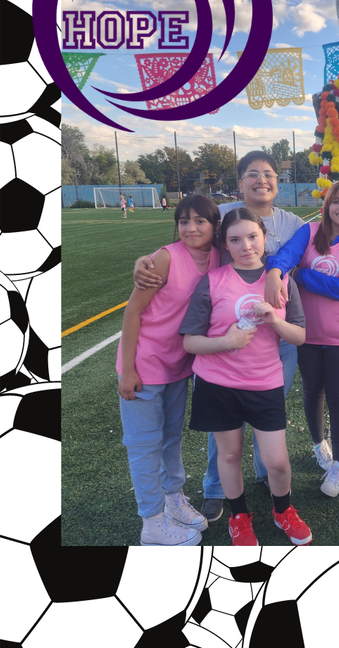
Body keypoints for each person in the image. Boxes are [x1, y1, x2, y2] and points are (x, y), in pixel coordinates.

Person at [133, 151, 305, 522]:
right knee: (224, 438)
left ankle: (269, 485)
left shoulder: (292, 221)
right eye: (253, 175)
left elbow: (296, 254)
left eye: (269, 174)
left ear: (278, 180)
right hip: (220, 340)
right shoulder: (224, 213)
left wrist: (275, 273)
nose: (262, 180)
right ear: (240, 181)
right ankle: (218, 493)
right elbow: (189, 237)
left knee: (268, 425)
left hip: (270, 344)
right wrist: (146, 260)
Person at [180, 207, 312, 546]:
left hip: (265, 383)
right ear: (225, 244)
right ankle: (239, 516)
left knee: (277, 462)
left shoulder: (282, 280)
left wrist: (274, 320)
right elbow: (190, 341)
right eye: (235, 239)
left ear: (265, 238)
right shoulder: (212, 281)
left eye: (252, 236)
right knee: (229, 455)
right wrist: (227, 341)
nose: (246, 245)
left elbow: (299, 336)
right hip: (218, 384)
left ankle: (283, 509)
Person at [116, 195, 220, 546]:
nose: (190, 228)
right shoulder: (164, 258)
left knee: (171, 439)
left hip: (179, 367)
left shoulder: (218, 256)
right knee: (144, 445)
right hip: (144, 368)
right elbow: (132, 313)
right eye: (183, 221)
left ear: (214, 226)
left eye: (199, 221)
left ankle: (173, 500)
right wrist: (126, 370)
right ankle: (153, 524)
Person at [263, 181, 339, 497]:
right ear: (327, 206)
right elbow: (284, 257)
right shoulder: (309, 233)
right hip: (305, 332)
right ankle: (317, 445)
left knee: (338, 396)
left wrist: (301, 275)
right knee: (313, 392)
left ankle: (338, 464)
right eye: (336, 201)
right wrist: (278, 271)